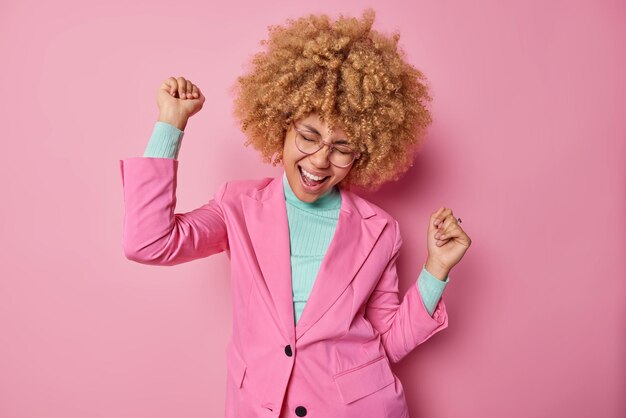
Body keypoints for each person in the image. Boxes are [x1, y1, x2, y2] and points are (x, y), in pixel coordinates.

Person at [119, 8, 471, 418]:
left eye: (341, 148)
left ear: (364, 153)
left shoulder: (380, 231)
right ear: (282, 125)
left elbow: (389, 341)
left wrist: (436, 270)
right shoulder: (239, 206)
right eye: (309, 136)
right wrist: (171, 124)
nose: (320, 161)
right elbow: (149, 242)